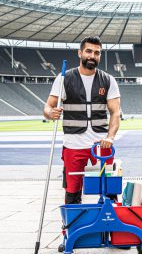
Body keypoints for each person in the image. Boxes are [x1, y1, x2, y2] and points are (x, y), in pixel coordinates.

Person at [44, 36, 121, 204]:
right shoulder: (64, 78)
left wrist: (110, 137)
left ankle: (108, 226)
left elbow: (115, 112)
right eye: (88, 51)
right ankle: (71, 228)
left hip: (102, 144)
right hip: (73, 143)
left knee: (109, 189)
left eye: (97, 53)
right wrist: (51, 113)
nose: (92, 56)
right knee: (72, 189)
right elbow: (47, 107)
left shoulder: (108, 80)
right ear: (80, 53)